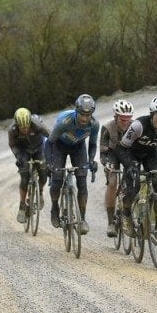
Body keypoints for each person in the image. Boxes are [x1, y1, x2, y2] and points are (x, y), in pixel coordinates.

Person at [116, 95, 157, 238]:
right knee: (132, 189)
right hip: (131, 153)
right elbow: (121, 149)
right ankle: (126, 214)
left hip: (150, 153)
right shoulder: (138, 126)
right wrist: (129, 166)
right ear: (152, 114)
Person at [45, 93, 99, 233]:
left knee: (82, 182)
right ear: (76, 111)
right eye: (82, 114)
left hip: (78, 147)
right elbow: (49, 143)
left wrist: (91, 160)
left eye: (88, 115)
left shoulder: (94, 124)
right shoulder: (65, 122)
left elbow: (92, 144)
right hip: (59, 145)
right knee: (56, 179)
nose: (85, 118)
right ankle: (55, 207)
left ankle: (82, 219)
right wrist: (49, 163)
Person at [8, 107, 50, 223]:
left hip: (39, 148)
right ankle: (22, 205)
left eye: (26, 126)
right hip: (23, 150)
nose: (25, 129)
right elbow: (12, 146)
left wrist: (51, 154)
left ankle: (40, 191)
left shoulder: (37, 124)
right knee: (25, 176)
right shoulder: (13, 130)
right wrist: (19, 157)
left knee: (43, 171)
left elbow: (50, 137)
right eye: (22, 127)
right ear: (17, 124)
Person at [99, 99, 134, 237]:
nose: (125, 123)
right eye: (122, 119)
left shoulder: (135, 126)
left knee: (131, 182)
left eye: (127, 119)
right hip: (112, 155)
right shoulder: (107, 127)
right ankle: (110, 222)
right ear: (115, 117)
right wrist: (106, 164)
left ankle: (126, 214)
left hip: (127, 154)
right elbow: (102, 151)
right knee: (112, 183)